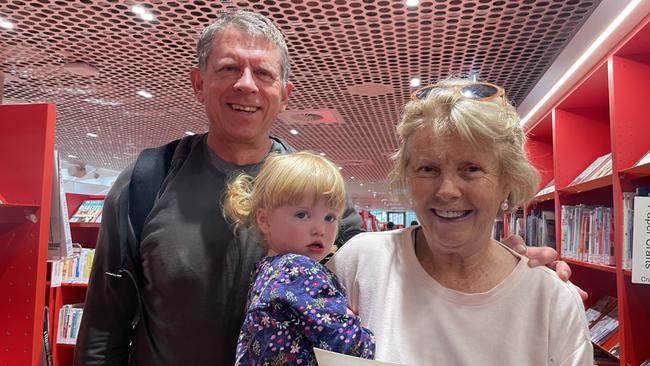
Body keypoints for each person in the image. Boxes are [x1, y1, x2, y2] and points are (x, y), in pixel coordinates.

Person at [74, 10, 575, 365]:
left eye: (263, 73)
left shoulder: (323, 194)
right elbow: (103, 330)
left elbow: (411, 265)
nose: (246, 85)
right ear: (198, 81)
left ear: (284, 93)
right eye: (228, 69)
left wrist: (509, 263)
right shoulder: (147, 181)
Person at [328, 79, 593, 365]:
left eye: (471, 169)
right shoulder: (360, 264)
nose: (446, 191)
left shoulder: (551, 300)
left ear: (507, 181)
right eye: (428, 169)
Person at [223, 152, 375, 365]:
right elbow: (350, 348)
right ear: (264, 220)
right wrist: (361, 330)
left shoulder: (266, 270)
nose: (320, 229)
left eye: (330, 217)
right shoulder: (299, 271)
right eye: (302, 215)